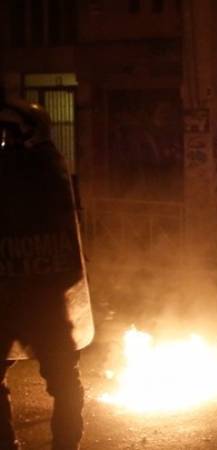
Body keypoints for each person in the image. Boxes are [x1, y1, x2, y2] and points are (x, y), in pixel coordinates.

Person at [0, 98, 92, 450]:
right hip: (31, 301)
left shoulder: (48, 172)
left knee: (65, 383)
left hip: (37, 302)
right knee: (65, 383)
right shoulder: (50, 171)